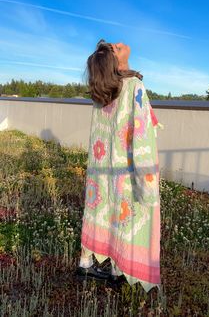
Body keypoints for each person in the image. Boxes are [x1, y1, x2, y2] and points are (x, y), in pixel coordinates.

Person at [75, 39, 161, 293]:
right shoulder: (133, 86)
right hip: (124, 165)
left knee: (100, 208)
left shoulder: (103, 92)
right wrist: (147, 179)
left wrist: (126, 68)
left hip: (102, 165)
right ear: (116, 61)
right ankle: (116, 268)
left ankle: (87, 263)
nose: (120, 43)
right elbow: (142, 133)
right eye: (115, 47)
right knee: (124, 213)